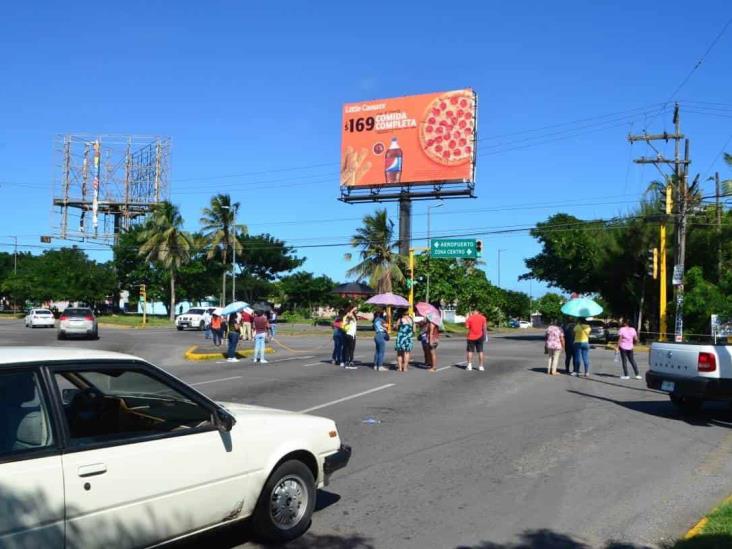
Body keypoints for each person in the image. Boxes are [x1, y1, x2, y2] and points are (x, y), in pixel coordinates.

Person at [465, 307, 487, 371]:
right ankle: (481, 366)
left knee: (470, 351)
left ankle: (469, 366)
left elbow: (467, 327)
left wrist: (466, 318)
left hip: (471, 337)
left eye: (473, 311)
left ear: (475, 311)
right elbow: (484, 328)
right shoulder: (483, 318)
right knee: (480, 351)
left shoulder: (470, 318)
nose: (472, 312)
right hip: (480, 336)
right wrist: (485, 336)